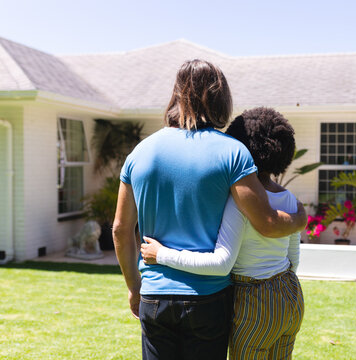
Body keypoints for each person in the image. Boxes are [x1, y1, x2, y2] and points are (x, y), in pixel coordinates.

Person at [113, 60, 307, 360]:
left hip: (154, 293)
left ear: (176, 95)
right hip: (208, 298)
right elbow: (267, 223)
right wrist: (299, 218)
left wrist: (134, 287)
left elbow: (120, 230)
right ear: (221, 97)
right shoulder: (232, 151)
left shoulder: (140, 152)